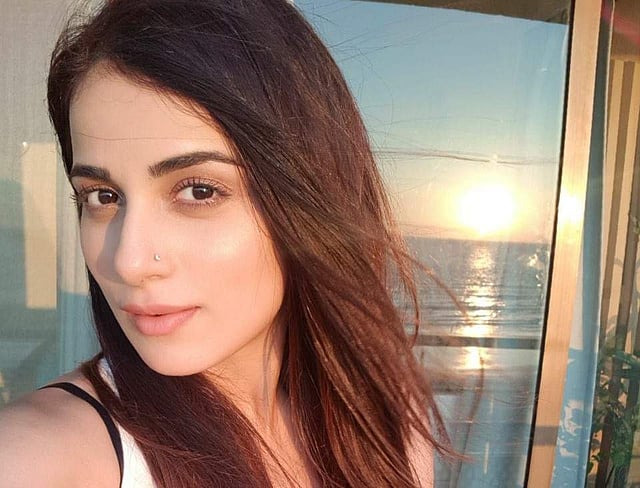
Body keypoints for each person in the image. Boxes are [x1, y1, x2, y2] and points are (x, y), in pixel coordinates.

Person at [0, 0, 454, 486]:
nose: (128, 261)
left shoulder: (386, 422)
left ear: (310, 200)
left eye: (199, 191)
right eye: (102, 196)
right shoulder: (41, 458)